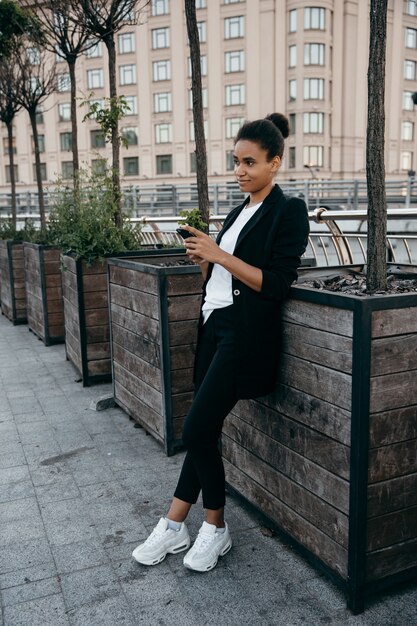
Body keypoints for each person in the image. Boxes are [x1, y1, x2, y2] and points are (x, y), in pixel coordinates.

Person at [132, 113, 310, 573]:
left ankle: (215, 526)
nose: (241, 171)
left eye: (250, 162)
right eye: (236, 162)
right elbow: (222, 276)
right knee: (204, 429)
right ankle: (175, 524)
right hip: (213, 327)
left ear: (276, 162)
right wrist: (203, 258)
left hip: (243, 336)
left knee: (194, 430)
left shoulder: (287, 211)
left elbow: (276, 283)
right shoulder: (237, 211)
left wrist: (220, 253)